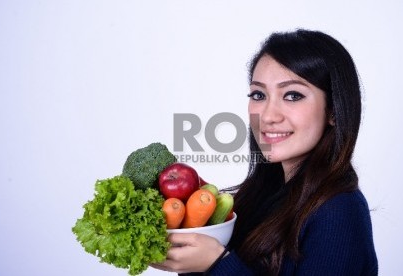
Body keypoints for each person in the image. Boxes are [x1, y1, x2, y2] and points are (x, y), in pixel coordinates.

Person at [152, 29, 378, 275]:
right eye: (259, 95)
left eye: (292, 95)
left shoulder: (339, 211)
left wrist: (217, 263)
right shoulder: (259, 197)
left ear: (334, 111)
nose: (268, 116)